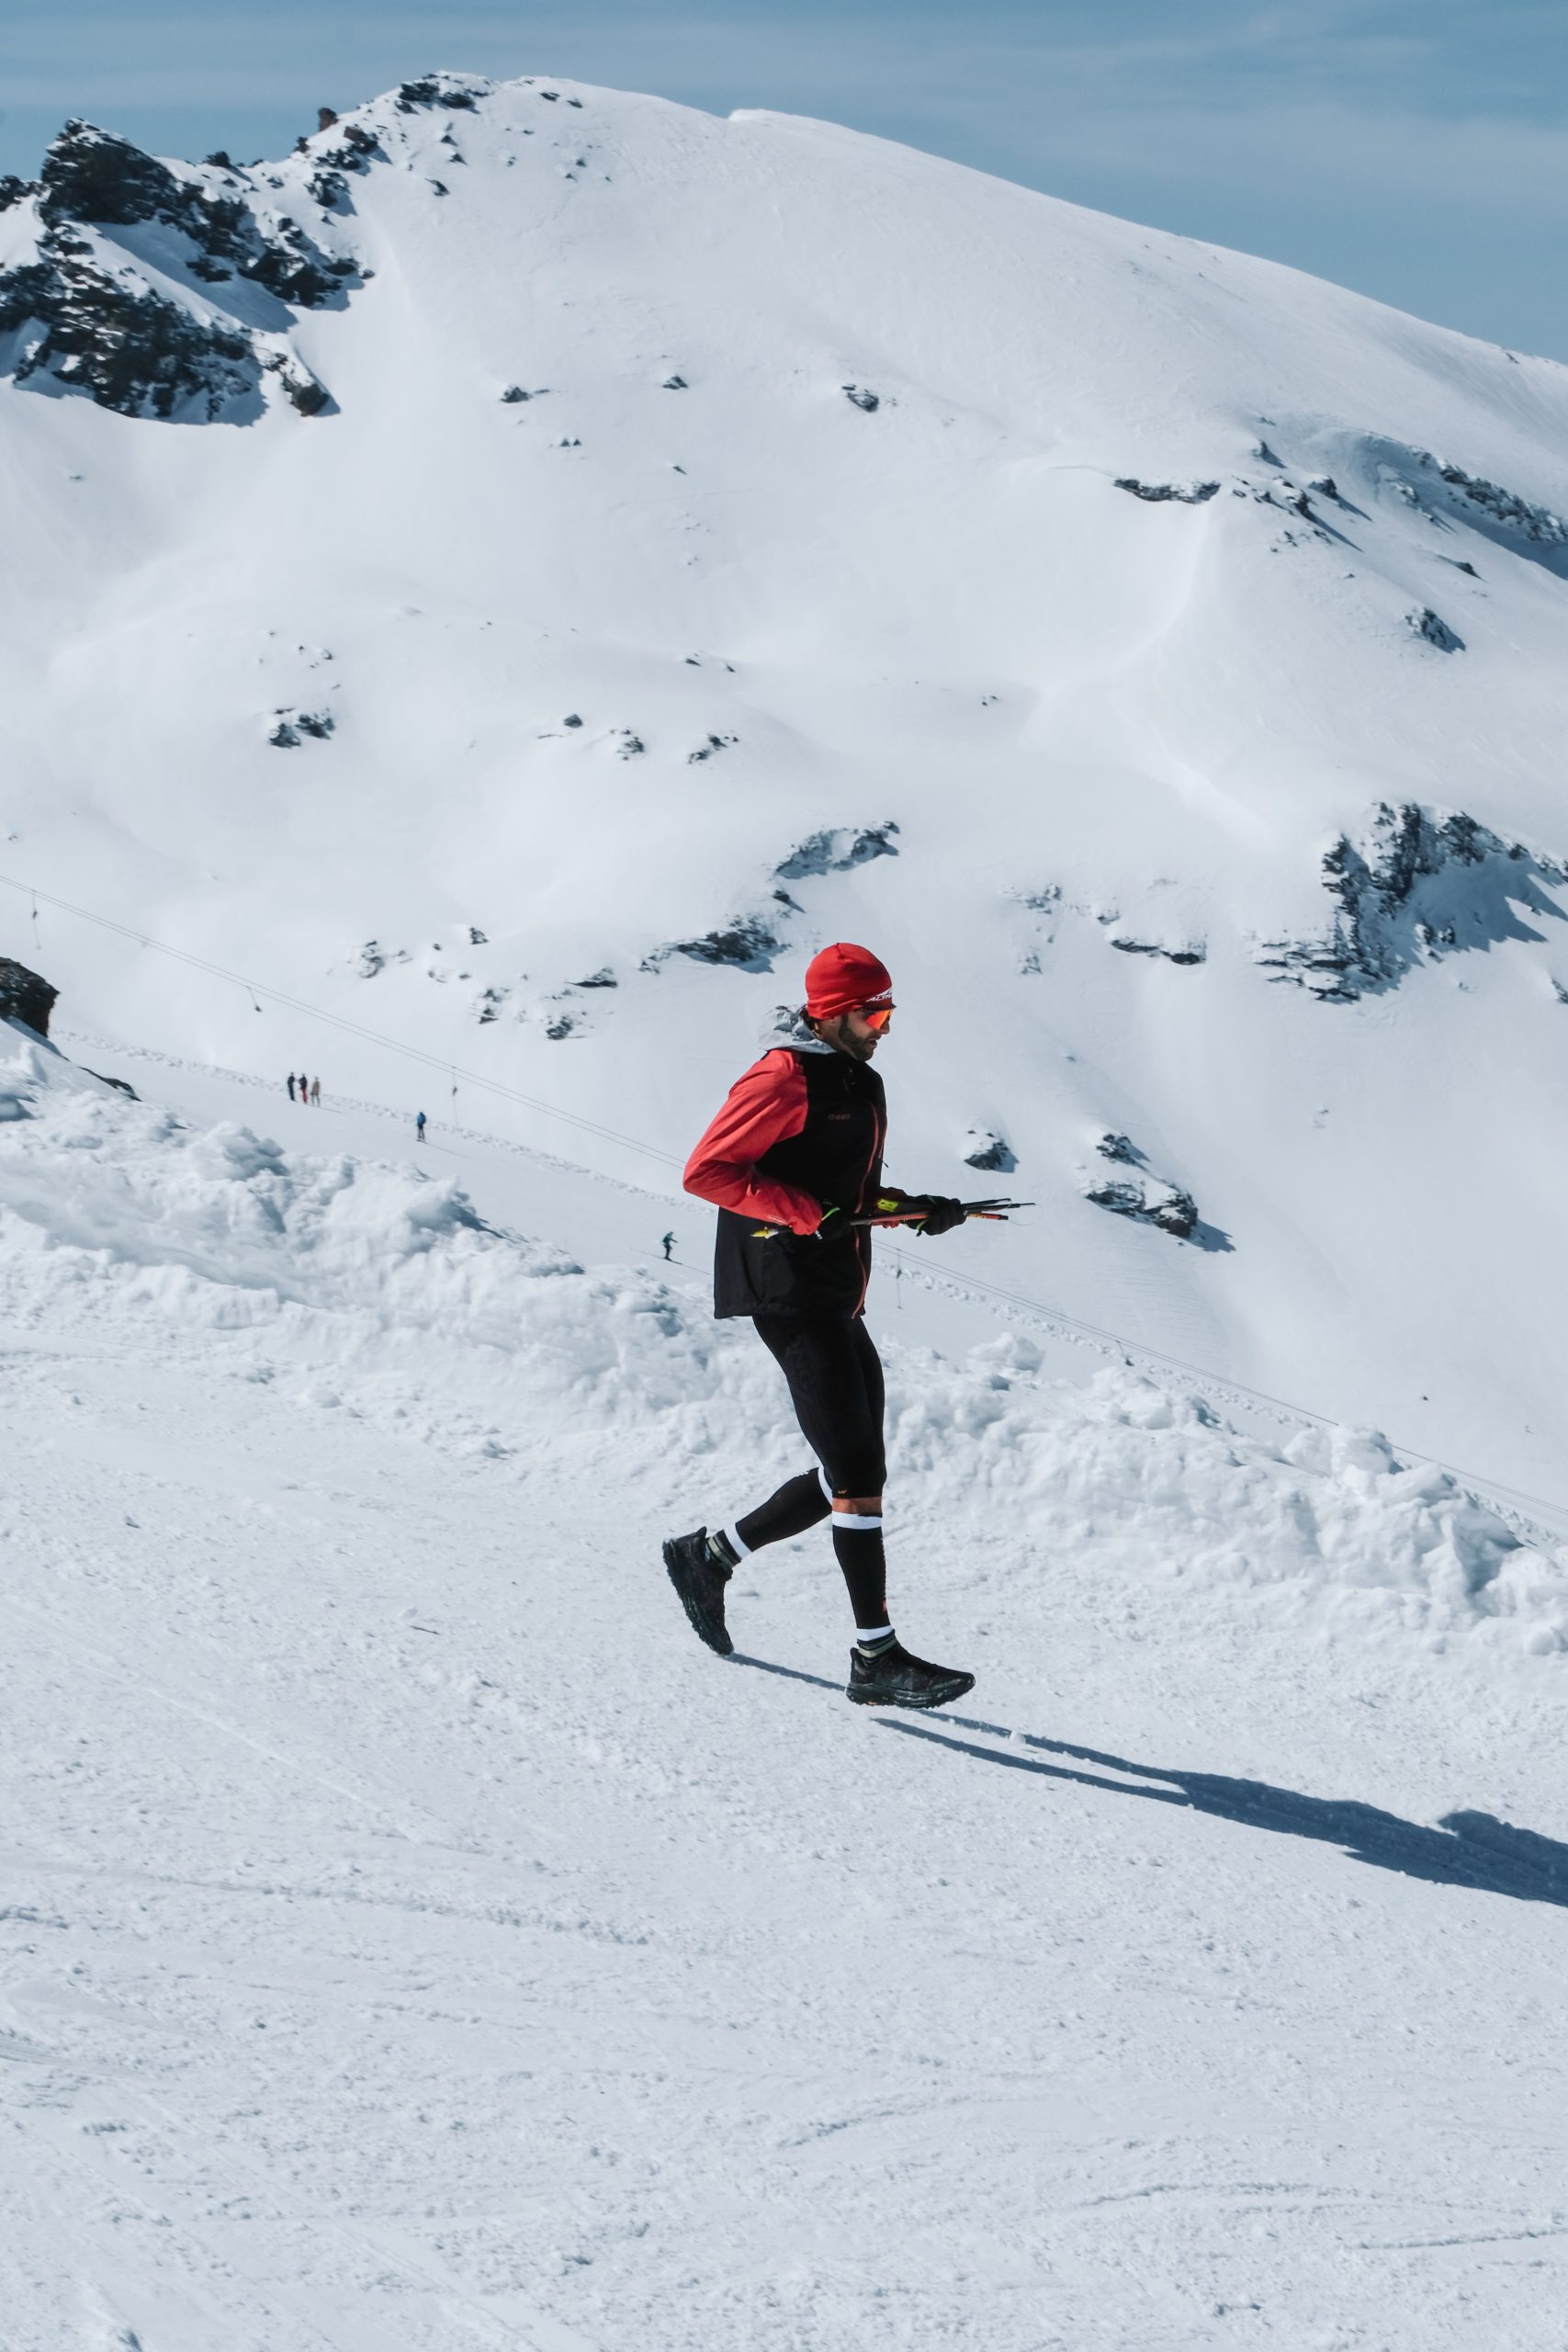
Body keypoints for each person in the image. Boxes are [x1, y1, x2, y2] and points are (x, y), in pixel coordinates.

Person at [665, 941, 975, 1710]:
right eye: (876, 1013)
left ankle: (709, 1557)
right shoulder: (783, 1075)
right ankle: (875, 1658)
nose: (885, 1027)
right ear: (835, 1012)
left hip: (835, 1289)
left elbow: (843, 1192)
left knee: (852, 1466)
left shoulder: (855, 1080)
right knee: (857, 1471)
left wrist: (916, 1211)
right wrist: (810, 1216)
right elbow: (708, 1171)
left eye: (889, 1011)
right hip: (786, 1290)